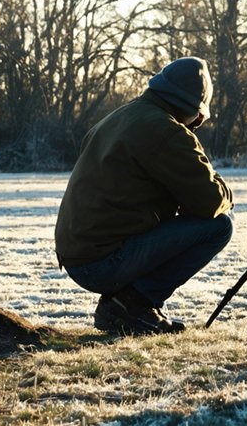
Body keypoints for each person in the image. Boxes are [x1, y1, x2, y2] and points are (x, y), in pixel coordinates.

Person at [55, 57, 234, 334]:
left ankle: (124, 305)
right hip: (101, 262)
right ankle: (134, 304)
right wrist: (221, 187)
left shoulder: (118, 117)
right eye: (198, 119)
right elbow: (211, 201)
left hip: (79, 253)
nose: (197, 124)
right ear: (194, 109)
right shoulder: (166, 131)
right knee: (219, 226)